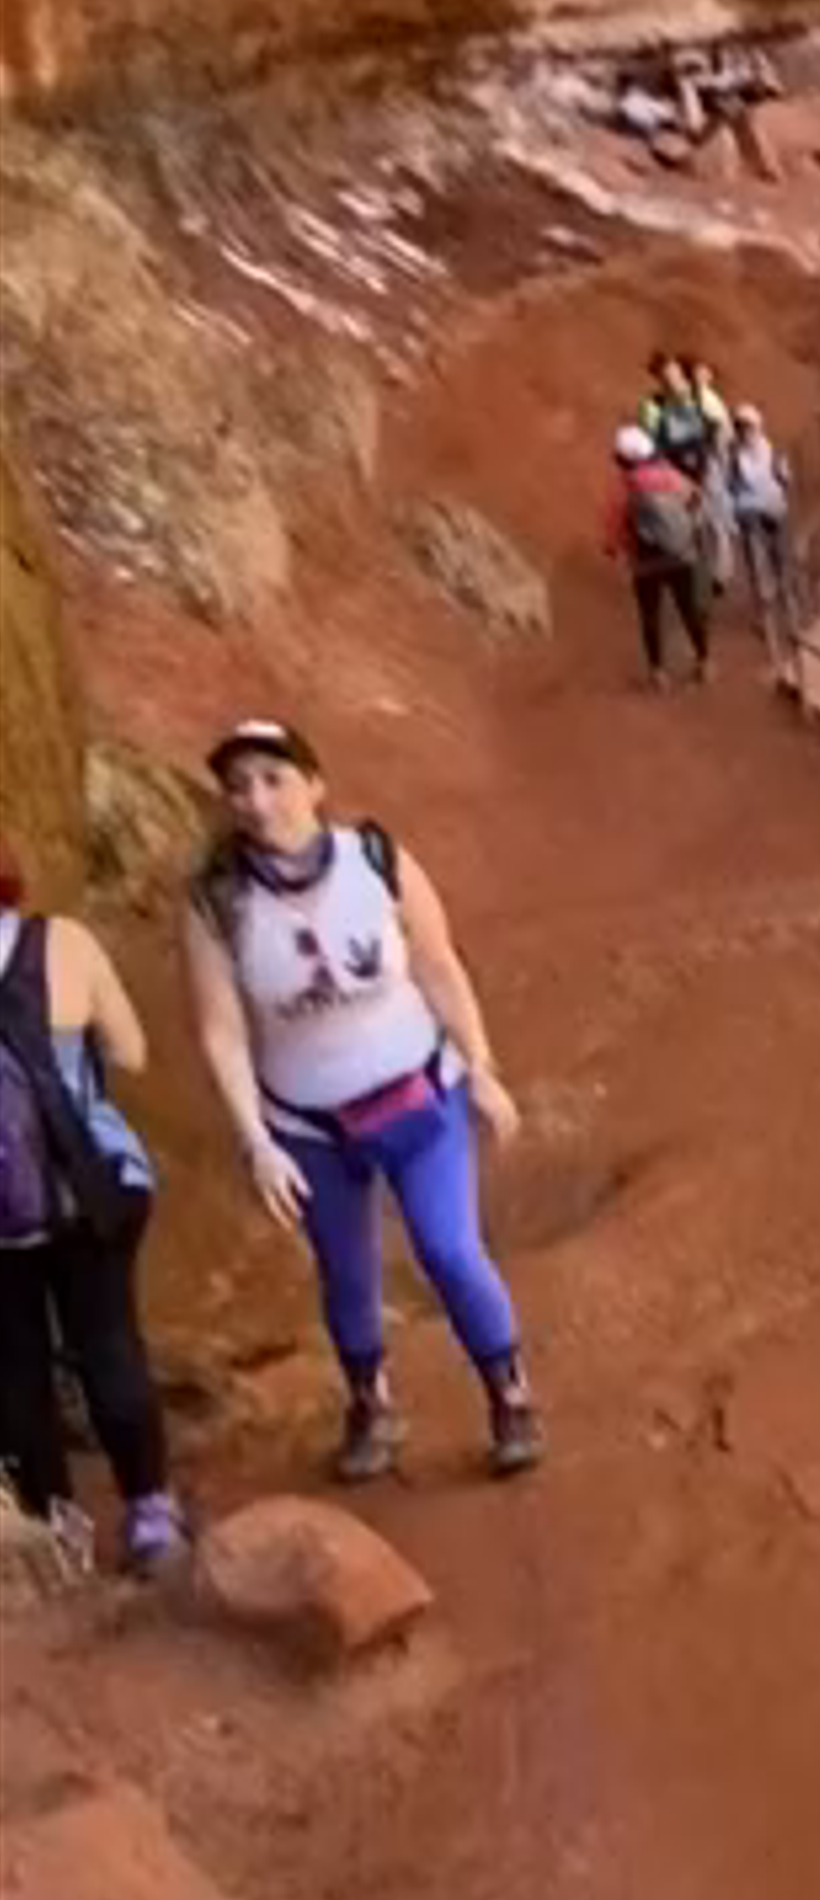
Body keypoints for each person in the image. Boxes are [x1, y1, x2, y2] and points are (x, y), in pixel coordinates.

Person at [182, 724, 543, 1485]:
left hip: (420, 1093)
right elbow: (221, 1030)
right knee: (347, 1273)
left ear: (315, 784)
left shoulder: (375, 858)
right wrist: (257, 1141)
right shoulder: (218, 901)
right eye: (239, 786)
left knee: (449, 1249)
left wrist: (481, 1064)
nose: (255, 800)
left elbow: (439, 963)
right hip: (309, 1124)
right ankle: (370, 1401)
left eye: (273, 778)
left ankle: (509, 1392)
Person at [0, 848, 182, 1571]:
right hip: (90, 1187)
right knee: (109, 1344)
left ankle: (54, 1537)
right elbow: (130, 1050)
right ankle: (150, 1516)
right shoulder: (63, 943)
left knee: (13, 1369)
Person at [607, 420, 713, 684]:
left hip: (645, 561)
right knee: (689, 609)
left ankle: (658, 671)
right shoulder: (669, 474)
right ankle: (704, 661)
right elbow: (696, 499)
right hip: (681, 554)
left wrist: (615, 549)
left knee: (650, 615)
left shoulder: (625, 486)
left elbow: (616, 525)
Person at [725, 399, 796, 666]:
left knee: (771, 563)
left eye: (747, 427)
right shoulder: (759, 451)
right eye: (742, 427)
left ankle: (781, 616)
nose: (745, 431)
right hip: (758, 512)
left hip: (763, 511)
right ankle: (775, 619)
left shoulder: (752, 452)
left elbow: (731, 485)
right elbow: (784, 478)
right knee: (765, 565)